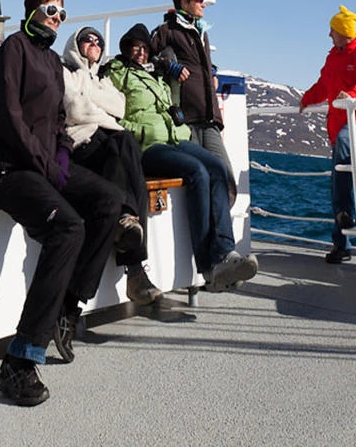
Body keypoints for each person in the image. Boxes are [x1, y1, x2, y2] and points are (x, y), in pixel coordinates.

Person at [0, 0, 124, 406]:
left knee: (107, 200)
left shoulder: (49, 60)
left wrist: (61, 156)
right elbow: (8, 117)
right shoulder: (14, 50)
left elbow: (59, 121)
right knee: (69, 229)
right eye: (50, 10)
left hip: (42, 165)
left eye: (62, 13)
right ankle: (19, 361)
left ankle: (68, 306)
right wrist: (45, 165)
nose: (57, 18)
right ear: (31, 10)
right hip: (6, 169)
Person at [108, 22, 258, 292]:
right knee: (197, 172)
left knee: (216, 167)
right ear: (126, 50)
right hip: (148, 147)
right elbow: (112, 114)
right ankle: (208, 266)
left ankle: (226, 252)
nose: (140, 52)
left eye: (144, 48)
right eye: (134, 48)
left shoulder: (157, 75)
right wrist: (137, 131)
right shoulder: (118, 74)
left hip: (175, 138)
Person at [61, 25, 165, 305]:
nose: (93, 43)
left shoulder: (101, 79)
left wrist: (92, 102)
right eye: (87, 39)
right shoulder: (65, 72)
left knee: (126, 148)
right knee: (121, 147)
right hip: (78, 144)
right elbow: (74, 109)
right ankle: (135, 270)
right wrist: (99, 108)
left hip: (104, 139)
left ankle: (127, 224)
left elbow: (119, 106)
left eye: (98, 40)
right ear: (75, 44)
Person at [298, 4, 356, 263]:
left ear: (342, 32)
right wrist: (306, 99)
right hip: (338, 127)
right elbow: (324, 85)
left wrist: (353, 96)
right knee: (339, 174)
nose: (329, 35)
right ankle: (341, 244)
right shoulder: (332, 58)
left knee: (345, 149)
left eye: (332, 30)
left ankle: (344, 215)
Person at [150, 0, 232, 177]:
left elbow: (199, 62)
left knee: (225, 174)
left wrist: (211, 70)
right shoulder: (167, 30)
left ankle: (217, 210)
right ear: (184, 2)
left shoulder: (201, 31)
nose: (203, 4)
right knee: (199, 175)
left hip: (209, 117)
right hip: (187, 120)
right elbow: (147, 57)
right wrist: (170, 67)